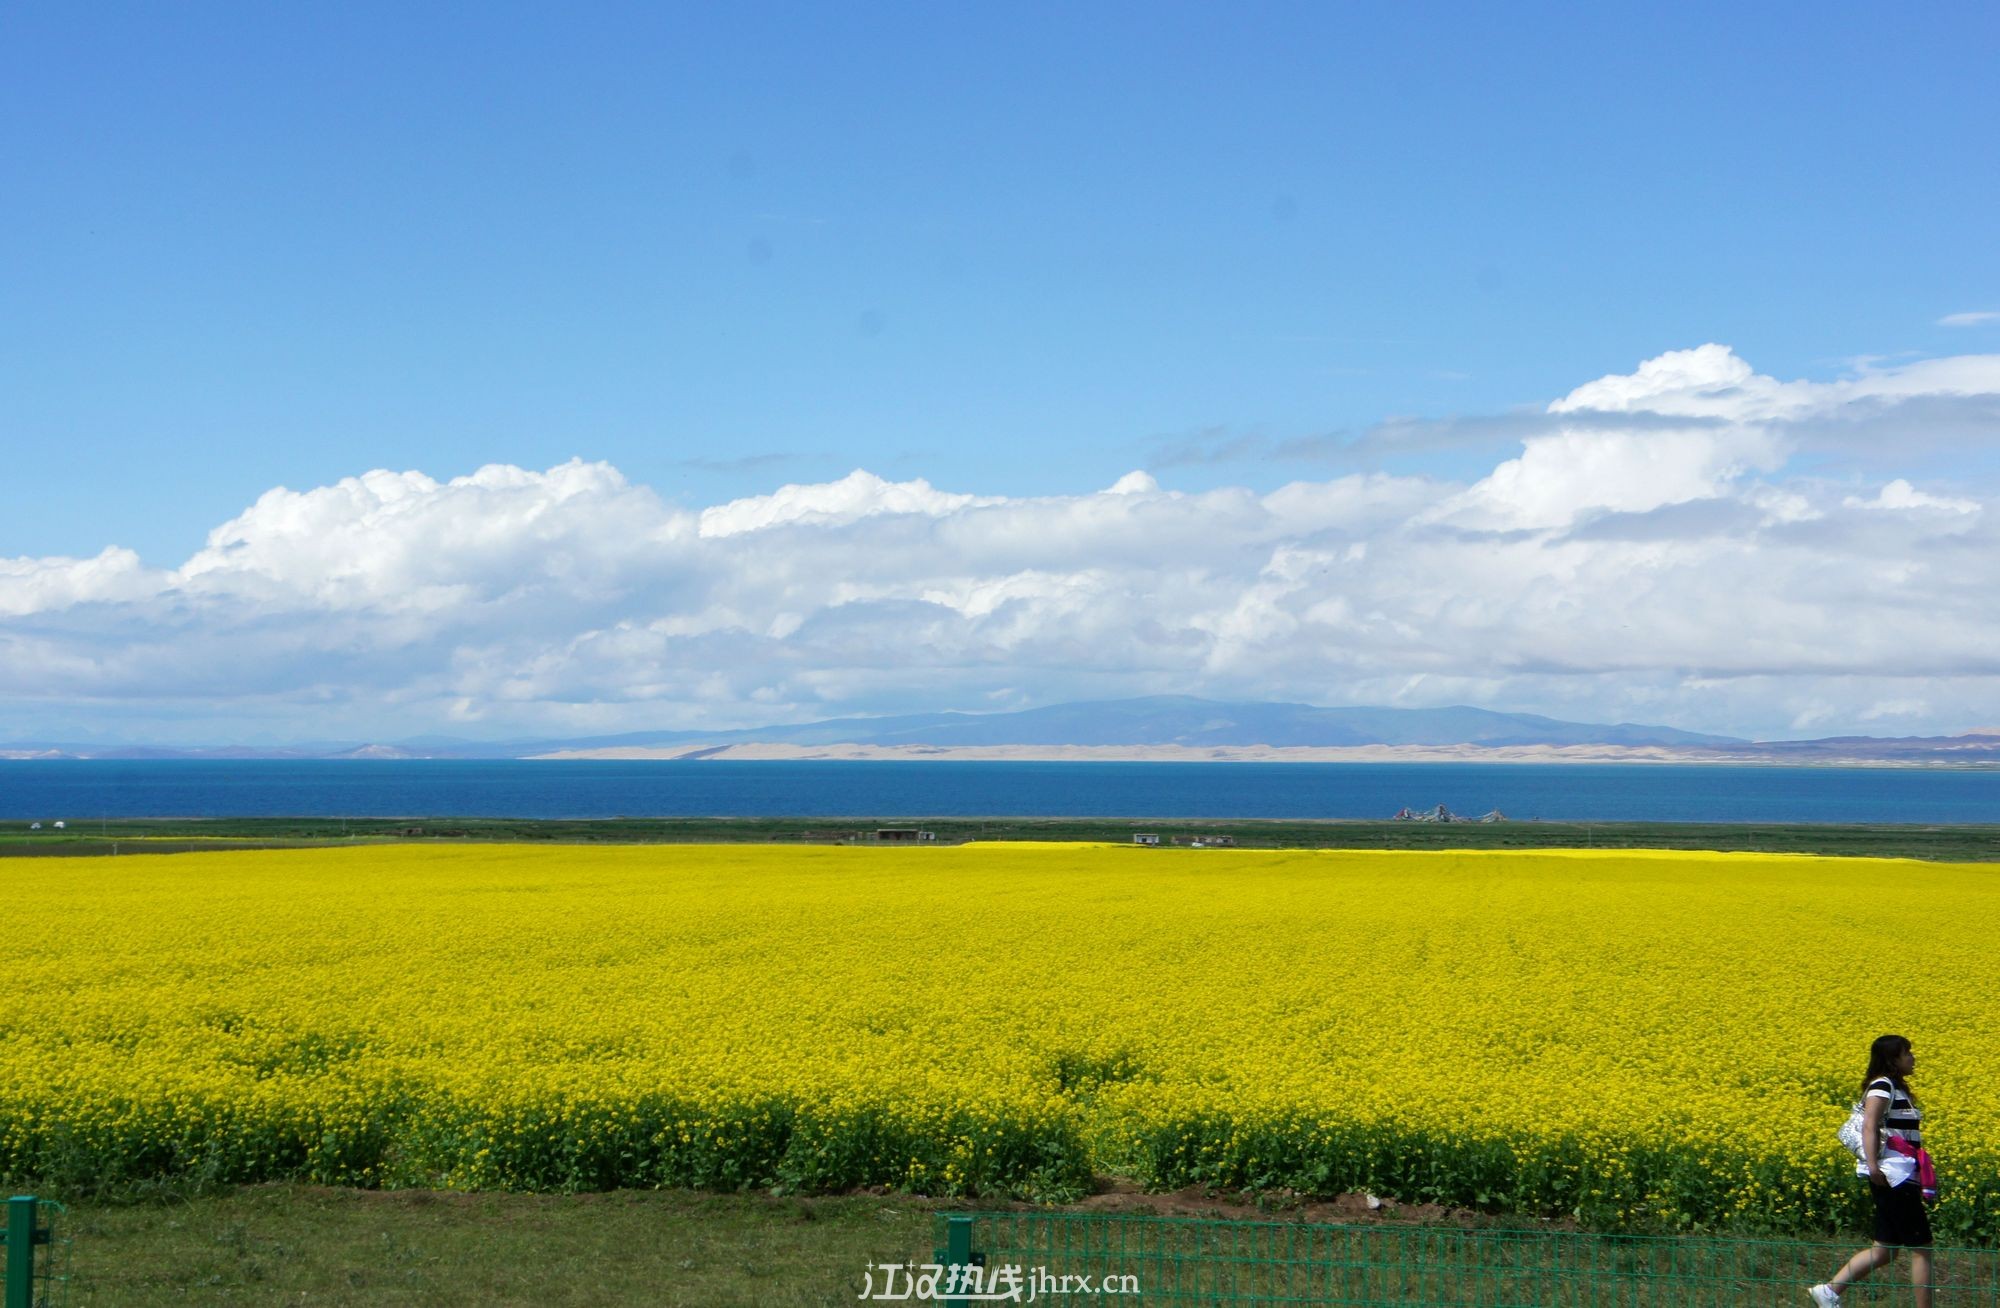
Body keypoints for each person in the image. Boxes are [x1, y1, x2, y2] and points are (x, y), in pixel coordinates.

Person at [1810, 1034, 1933, 1307]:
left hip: (1898, 1173)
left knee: (1885, 1251)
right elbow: (1869, 1126)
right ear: (1892, 1059)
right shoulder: (1882, 1086)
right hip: (1893, 1176)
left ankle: (1829, 1292)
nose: (1913, 1058)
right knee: (1922, 1249)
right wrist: (1873, 1166)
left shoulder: (1895, 1088)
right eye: (1907, 1053)